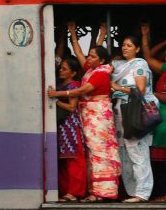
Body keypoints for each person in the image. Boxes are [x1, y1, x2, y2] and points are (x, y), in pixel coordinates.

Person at [48, 42, 120, 202]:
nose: (88, 58)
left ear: (101, 61)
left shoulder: (100, 74)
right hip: (90, 114)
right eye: (89, 55)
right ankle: (93, 191)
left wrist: (57, 93)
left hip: (99, 116)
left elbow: (82, 90)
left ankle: (102, 192)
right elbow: (79, 52)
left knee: (100, 152)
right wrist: (72, 34)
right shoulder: (91, 70)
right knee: (91, 153)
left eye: (93, 56)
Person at [111, 34, 158, 203]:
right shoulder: (119, 66)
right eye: (123, 45)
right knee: (124, 151)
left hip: (135, 111)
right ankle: (132, 192)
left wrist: (117, 87)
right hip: (122, 111)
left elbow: (141, 90)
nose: (125, 48)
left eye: (129, 45)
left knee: (138, 151)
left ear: (137, 49)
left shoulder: (140, 64)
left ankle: (142, 193)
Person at [141, 25, 166, 202]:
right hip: (159, 119)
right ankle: (160, 192)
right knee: (158, 159)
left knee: (165, 159)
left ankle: (165, 193)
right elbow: (148, 57)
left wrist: (152, 94)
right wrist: (146, 36)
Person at [53, 59, 86, 202]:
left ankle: (75, 192)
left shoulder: (73, 86)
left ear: (73, 73)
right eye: (61, 68)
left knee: (74, 161)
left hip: (71, 127)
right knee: (64, 161)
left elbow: (72, 107)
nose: (61, 71)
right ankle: (66, 191)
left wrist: (56, 100)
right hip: (62, 127)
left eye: (65, 69)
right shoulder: (60, 85)